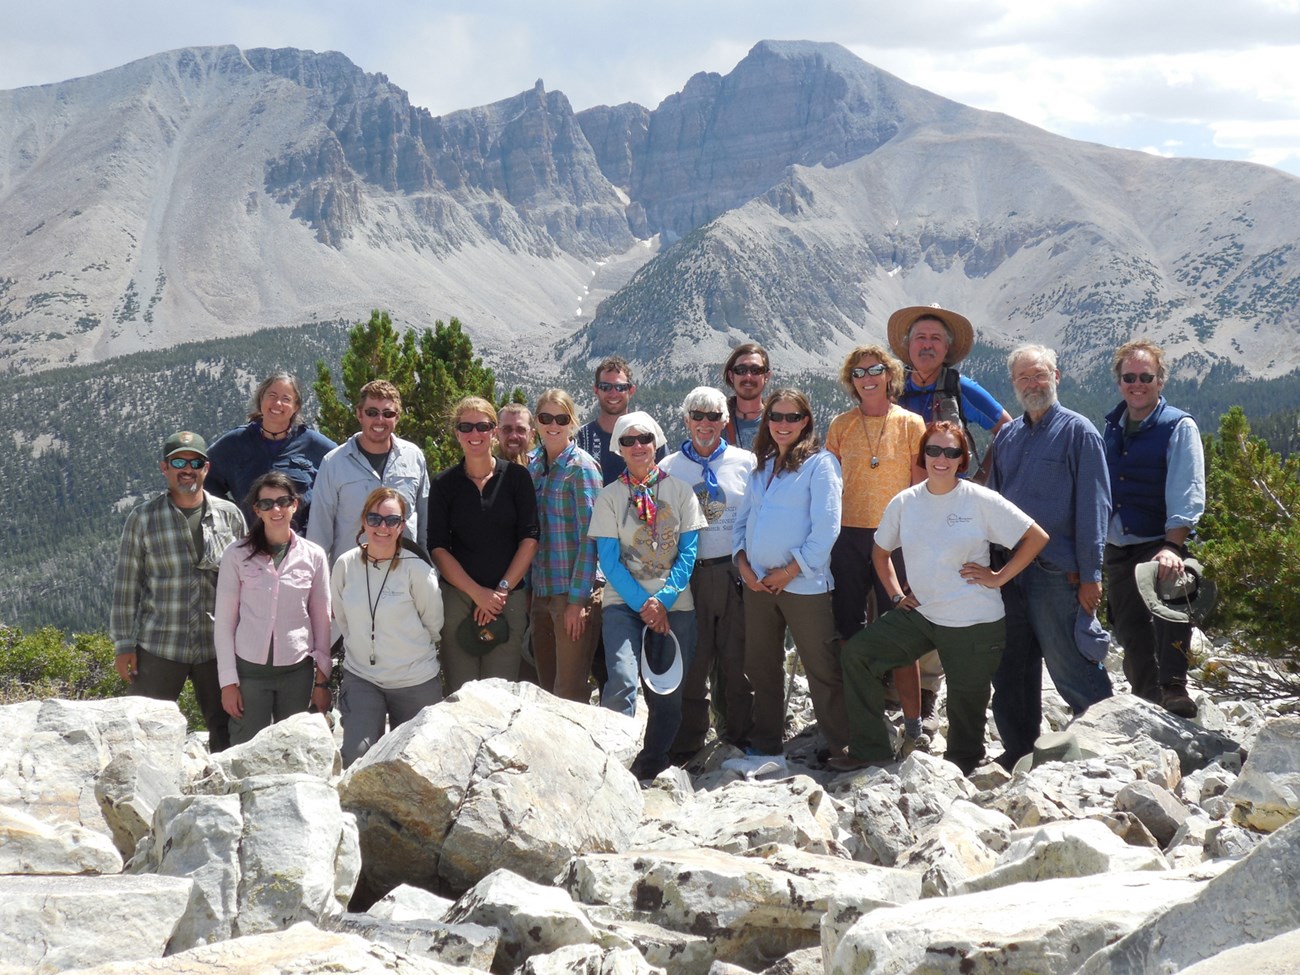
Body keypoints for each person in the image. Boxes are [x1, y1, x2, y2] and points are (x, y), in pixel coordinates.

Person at [835, 421, 1048, 775]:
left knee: (966, 704)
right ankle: (870, 749)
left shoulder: (979, 499)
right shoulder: (906, 502)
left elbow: (1036, 537)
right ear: (923, 455)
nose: (941, 459)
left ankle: (962, 766)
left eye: (951, 452)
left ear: (962, 459)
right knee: (858, 654)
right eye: (933, 450)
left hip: (974, 621)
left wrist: (998, 577)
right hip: (923, 614)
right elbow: (880, 553)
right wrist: (896, 595)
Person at [988, 345, 1113, 768]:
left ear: (1056, 376)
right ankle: (1019, 751)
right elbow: (995, 503)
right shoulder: (1008, 436)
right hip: (1011, 571)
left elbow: (1095, 507)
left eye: (1039, 375)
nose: (1032, 384)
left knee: (1071, 663)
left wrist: (1091, 574)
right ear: (1013, 384)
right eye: (1023, 378)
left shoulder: (1079, 432)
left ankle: (1106, 745)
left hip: (1058, 572)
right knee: (1011, 668)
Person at [110, 431, 247, 752]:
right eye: (178, 462)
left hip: (217, 647)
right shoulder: (143, 518)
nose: (187, 469)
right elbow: (127, 584)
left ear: (206, 468)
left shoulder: (230, 516)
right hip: (160, 645)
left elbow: (248, 582)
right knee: (143, 730)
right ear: (164, 468)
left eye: (195, 463)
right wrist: (123, 644)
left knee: (227, 729)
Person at [589, 411, 707, 780]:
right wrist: (646, 605)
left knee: (667, 690)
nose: (638, 446)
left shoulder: (681, 492)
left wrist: (664, 600)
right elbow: (608, 559)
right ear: (619, 448)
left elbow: (688, 552)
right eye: (629, 440)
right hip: (623, 604)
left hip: (675, 605)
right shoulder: (610, 496)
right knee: (621, 680)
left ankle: (652, 761)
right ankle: (613, 760)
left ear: (656, 443)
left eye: (645, 439)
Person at [733, 389, 847, 768]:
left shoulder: (821, 464)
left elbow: (827, 528)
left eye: (792, 417)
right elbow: (742, 522)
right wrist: (742, 563)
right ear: (767, 421)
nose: (783, 424)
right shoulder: (762, 466)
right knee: (761, 665)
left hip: (804, 585)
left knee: (821, 666)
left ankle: (842, 746)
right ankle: (766, 743)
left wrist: (790, 571)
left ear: (805, 421)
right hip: (758, 584)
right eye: (776, 417)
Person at [825, 345, 928, 753]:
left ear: (890, 375)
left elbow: (920, 489)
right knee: (848, 630)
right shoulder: (840, 425)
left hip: (895, 538)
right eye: (858, 373)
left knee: (901, 630)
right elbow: (829, 487)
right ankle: (861, 721)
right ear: (850, 381)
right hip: (847, 537)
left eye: (875, 370)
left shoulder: (911, 424)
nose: (867, 378)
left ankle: (913, 725)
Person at [1102, 340, 1205, 718]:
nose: (1137, 385)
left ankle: (1174, 688)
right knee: (1130, 630)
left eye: (1146, 377)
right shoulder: (1112, 426)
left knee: (1172, 601)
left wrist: (1173, 546)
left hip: (1158, 541)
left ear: (1161, 381)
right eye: (1129, 377)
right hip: (1118, 545)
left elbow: (1187, 488)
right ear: (1119, 382)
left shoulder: (1178, 425)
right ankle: (1146, 700)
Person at [661, 387, 757, 756]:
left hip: (734, 571)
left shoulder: (745, 462)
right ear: (686, 420)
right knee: (692, 660)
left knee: (738, 658)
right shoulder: (669, 467)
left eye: (713, 416)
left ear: (725, 421)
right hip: (689, 574)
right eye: (697, 416)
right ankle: (688, 741)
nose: (705, 423)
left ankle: (740, 737)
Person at [429, 397, 539, 693]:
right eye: (466, 427)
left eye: (483, 426)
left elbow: (530, 539)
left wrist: (500, 591)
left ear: (494, 432)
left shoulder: (517, 478)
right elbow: (438, 547)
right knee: (460, 692)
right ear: (457, 433)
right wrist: (477, 593)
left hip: (508, 598)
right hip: (458, 598)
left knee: (500, 693)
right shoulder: (443, 484)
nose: (474, 434)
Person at [214, 472, 332, 746]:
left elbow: (322, 621)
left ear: (294, 505)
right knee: (244, 748)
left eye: (283, 502)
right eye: (266, 504)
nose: (275, 509)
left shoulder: (314, 556)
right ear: (257, 510)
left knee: (293, 749)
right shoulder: (236, 554)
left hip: (297, 673)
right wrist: (228, 683)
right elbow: (224, 623)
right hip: (249, 673)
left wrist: (322, 683)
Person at [331, 488, 444, 766]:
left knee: (416, 764)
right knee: (357, 758)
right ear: (363, 521)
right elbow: (343, 620)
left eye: (392, 520)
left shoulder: (418, 570)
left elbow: (433, 624)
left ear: (402, 526)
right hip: (363, 677)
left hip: (414, 680)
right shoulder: (345, 565)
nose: (383, 527)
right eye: (374, 519)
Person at [527, 389, 603, 702]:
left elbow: (591, 537)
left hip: (571, 595)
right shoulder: (533, 465)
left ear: (572, 422)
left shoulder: (582, 467)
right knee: (546, 690)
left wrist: (577, 601)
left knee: (569, 692)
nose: (553, 425)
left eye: (561, 418)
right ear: (536, 422)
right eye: (546, 418)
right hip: (541, 592)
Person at [307, 379, 429, 566]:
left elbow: (426, 523)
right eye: (372, 412)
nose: (379, 420)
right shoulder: (334, 463)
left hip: (405, 574)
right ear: (359, 414)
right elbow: (319, 531)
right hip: (351, 576)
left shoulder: (414, 457)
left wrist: (430, 570)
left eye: (388, 413)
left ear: (397, 417)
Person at [887, 304, 1012, 480]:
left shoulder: (960, 388)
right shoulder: (893, 388)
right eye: (920, 337)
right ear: (909, 345)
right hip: (900, 491)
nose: (927, 344)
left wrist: (980, 480)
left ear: (946, 348)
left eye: (936, 338)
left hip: (950, 492)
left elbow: (1008, 429)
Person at [206, 372, 337, 531]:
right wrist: (231, 514)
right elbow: (203, 476)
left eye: (286, 399)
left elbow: (343, 472)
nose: (278, 403)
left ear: (296, 406)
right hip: (251, 540)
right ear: (261, 398)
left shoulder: (313, 443)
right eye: (272, 396)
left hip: (302, 541)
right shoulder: (235, 442)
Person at [575, 356, 664, 485]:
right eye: (605, 387)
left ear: (631, 390)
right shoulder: (580, 438)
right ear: (596, 390)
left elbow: (666, 478)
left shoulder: (649, 436)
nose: (613, 393)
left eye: (620, 387)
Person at [721, 344, 771, 449]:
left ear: (766, 376)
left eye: (756, 370)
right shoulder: (716, 421)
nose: (748, 377)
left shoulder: (780, 422)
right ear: (731, 376)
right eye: (741, 370)